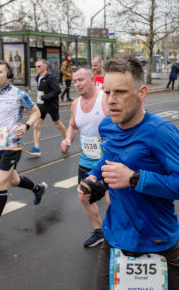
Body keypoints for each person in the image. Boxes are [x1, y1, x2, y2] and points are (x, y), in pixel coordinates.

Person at [81, 55, 179, 290]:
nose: (111, 100)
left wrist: (134, 178)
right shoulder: (107, 126)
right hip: (115, 237)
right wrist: (93, 177)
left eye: (120, 92)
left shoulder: (160, 132)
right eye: (107, 93)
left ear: (142, 93)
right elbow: (108, 158)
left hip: (157, 243)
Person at [0, 60, 46, 240]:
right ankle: (37, 189)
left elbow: (36, 112)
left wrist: (27, 126)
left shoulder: (19, 95)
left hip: (13, 144)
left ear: (9, 75)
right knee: (13, 180)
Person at [61, 67, 110, 248]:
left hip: (108, 160)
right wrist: (67, 139)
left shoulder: (104, 99)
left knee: (111, 198)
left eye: (81, 80)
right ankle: (98, 231)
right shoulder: (75, 104)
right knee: (84, 196)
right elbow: (73, 126)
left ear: (91, 80)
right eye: (75, 81)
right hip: (86, 159)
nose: (77, 84)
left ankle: (121, 229)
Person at [26, 59, 67, 157]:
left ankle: (66, 140)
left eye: (39, 66)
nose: (36, 68)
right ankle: (36, 148)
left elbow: (57, 90)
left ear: (45, 67)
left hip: (51, 105)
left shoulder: (50, 78)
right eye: (36, 66)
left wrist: (45, 97)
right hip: (41, 106)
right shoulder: (38, 78)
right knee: (36, 125)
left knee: (58, 124)